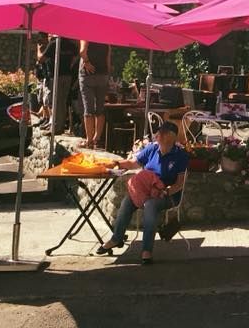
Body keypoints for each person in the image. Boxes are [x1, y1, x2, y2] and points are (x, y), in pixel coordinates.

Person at [96, 121, 189, 264]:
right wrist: (117, 164)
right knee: (127, 201)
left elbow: (179, 183)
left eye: (160, 134)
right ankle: (116, 239)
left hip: (167, 195)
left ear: (169, 137)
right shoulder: (152, 149)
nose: (157, 136)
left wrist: (166, 191)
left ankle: (147, 250)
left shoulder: (180, 155)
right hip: (145, 191)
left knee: (150, 205)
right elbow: (134, 163)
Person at [78, 39, 113, 148]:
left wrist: (87, 63)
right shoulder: (105, 38)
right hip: (102, 75)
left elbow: (82, 51)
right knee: (100, 108)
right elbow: (108, 56)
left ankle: (89, 140)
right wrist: (107, 73)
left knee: (88, 109)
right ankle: (97, 139)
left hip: (87, 74)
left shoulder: (86, 34)